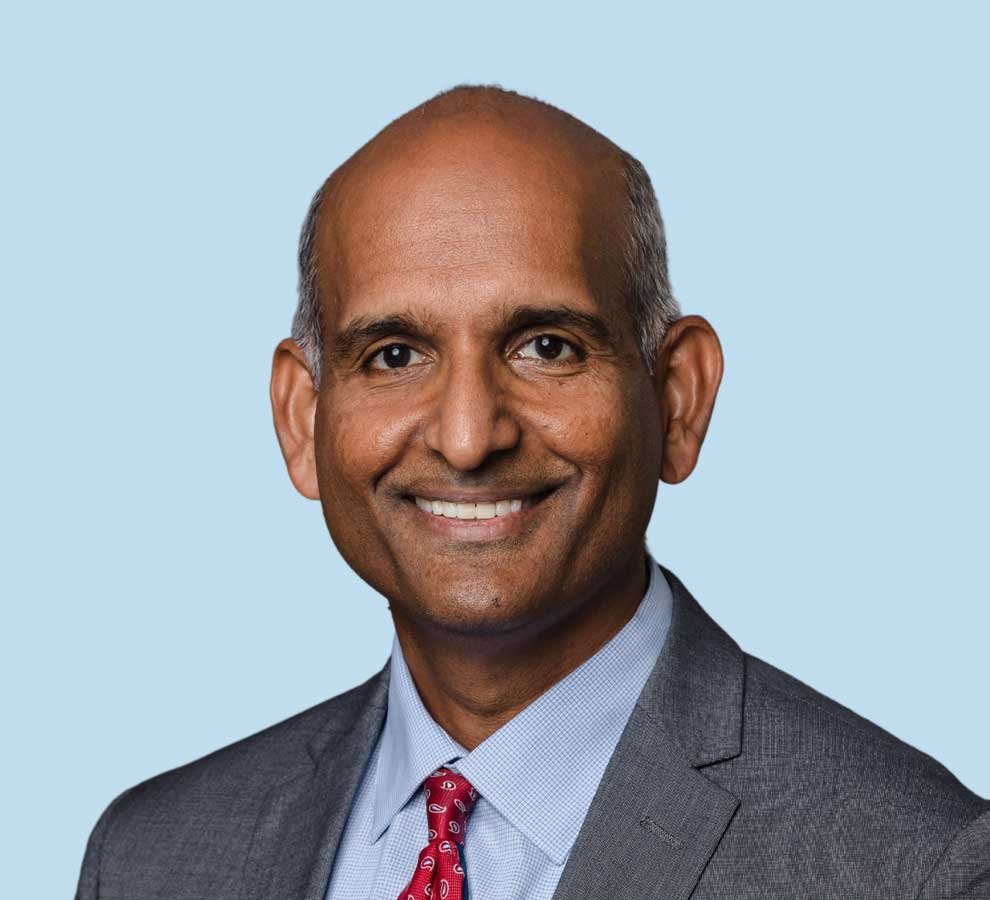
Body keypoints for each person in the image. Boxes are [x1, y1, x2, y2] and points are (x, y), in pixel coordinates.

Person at [75, 84, 989, 900]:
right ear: (301, 419)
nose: (470, 437)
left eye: (546, 346)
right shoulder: (152, 857)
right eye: (395, 355)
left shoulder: (915, 867)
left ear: (677, 400)